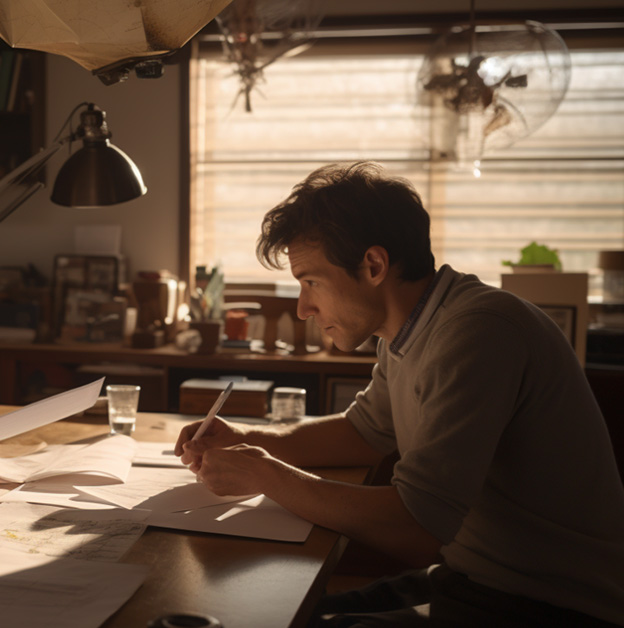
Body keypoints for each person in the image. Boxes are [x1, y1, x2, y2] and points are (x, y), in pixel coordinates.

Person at [175, 162, 624, 626]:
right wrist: (246, 439)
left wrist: (266, 475)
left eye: (311, 282)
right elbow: (362, 433)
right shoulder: (409, 331)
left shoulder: (478, 331)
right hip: (471, 577)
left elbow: (416, 527)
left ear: (373, 265)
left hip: (549, 604)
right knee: (274, 613)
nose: (304, 307)